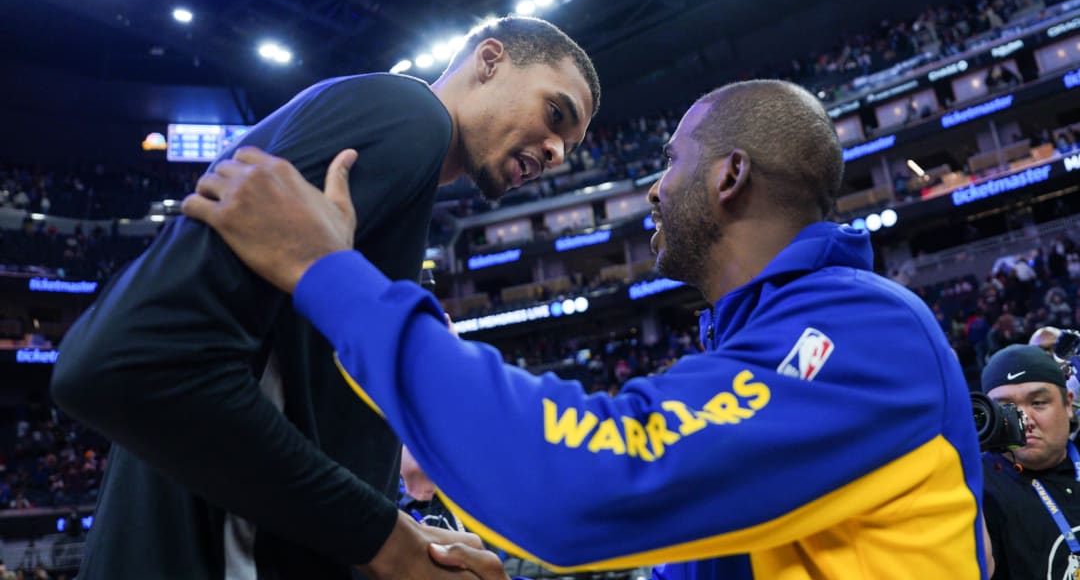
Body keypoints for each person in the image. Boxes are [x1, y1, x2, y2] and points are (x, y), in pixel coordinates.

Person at [182, 80, 987, 577]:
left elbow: (593, 481)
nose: (650, 186)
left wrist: (331, 276)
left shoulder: (866, 328)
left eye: (669, 162)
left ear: (730, 175)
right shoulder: (755, 345)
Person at [49, 16, 598, 579]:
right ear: (489, 61)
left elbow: (285, 396)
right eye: (555, 114)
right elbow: (131, 362)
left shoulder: (399, 167)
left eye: (570, 146)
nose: (557, 151)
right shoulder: (411, 118)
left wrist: (385, 526)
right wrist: (382, 540)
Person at [980, 344, 1080, 579]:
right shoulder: (978, 489)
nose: (1024, 420)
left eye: (1038, 403)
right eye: (1006, 408)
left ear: (1068, 404)